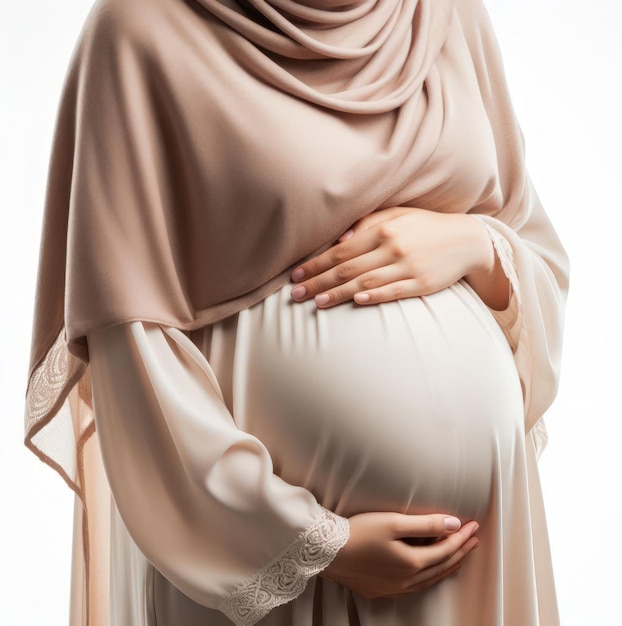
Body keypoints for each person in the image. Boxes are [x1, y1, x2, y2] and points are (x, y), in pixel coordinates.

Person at [24, 0, 568, 624]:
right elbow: (128, 343)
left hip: (479, 553)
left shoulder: (445, 12)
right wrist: (310, 543)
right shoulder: (138, 30)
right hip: (279, 584)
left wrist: (475, 246)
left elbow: (533, 244)